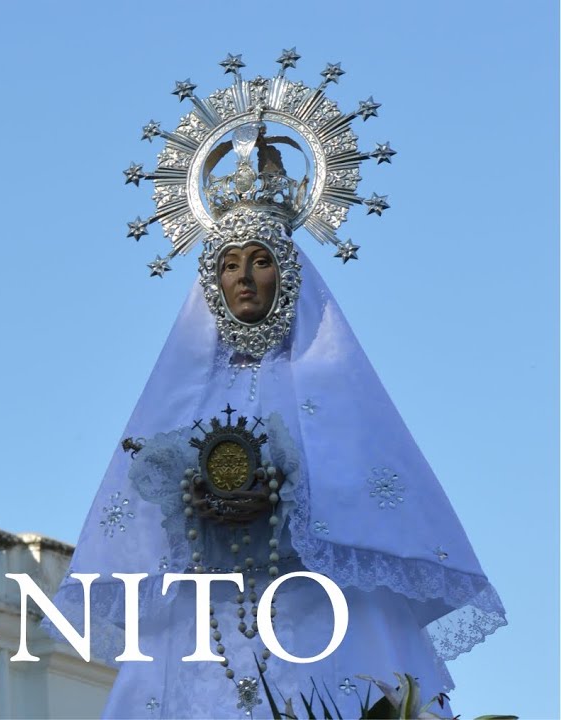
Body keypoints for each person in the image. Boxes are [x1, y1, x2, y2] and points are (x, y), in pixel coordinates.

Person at [50, 55, 505, 718]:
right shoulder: (186, 390)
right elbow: (143, 508)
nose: (243, 278)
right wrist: (191, 497)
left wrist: (288, 499)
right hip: (208, 626)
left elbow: (367, 496)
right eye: (229, 264)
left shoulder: (332, 385)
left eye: (260, 261)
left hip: (318, 614)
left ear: (285, 273)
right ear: (211, 280)